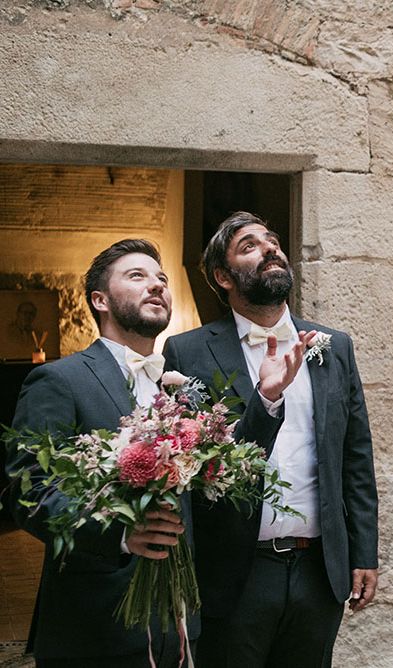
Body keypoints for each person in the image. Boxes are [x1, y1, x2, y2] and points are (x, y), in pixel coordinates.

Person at [5, 239, 300, 668]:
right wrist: (122, 534)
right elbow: (28, 491)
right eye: (137, 276)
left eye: (161, 278)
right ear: (99, 300)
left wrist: (266, 398)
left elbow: (225, 478)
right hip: (95, 622)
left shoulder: (184, 390)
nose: (157, 285)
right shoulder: (59, 379)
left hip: (181, 626)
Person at [163, 211, 379, 668]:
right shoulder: (189, 352)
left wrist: (363, 553)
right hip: (237, 572)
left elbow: (355, 457)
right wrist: (266, 400)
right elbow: (193, 467)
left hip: (318, 570)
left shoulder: (332, 346)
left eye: (272, 241)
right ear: (223, 277)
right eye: (250, 246)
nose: (270, 249)